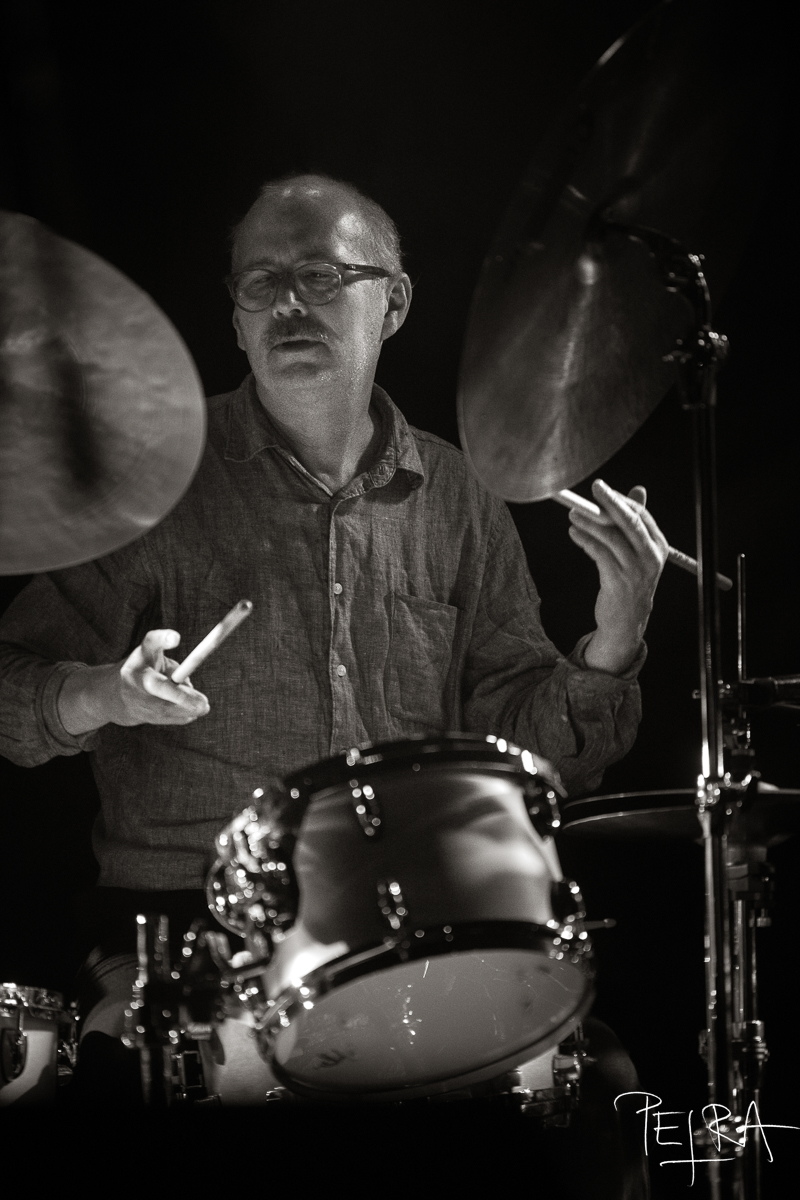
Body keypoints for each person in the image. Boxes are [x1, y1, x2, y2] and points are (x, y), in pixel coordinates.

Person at [0, 174, 664, 1190]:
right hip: (186, 930)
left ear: (392, 302)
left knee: (596, 1085)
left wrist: (612, 642)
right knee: (131, 1086)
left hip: (404, 928)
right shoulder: (153, 484)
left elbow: (530, 753)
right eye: (260, 283)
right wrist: (106, 694)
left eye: (319, 276)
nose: (287, 305)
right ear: (233, 314)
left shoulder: (458, 497)